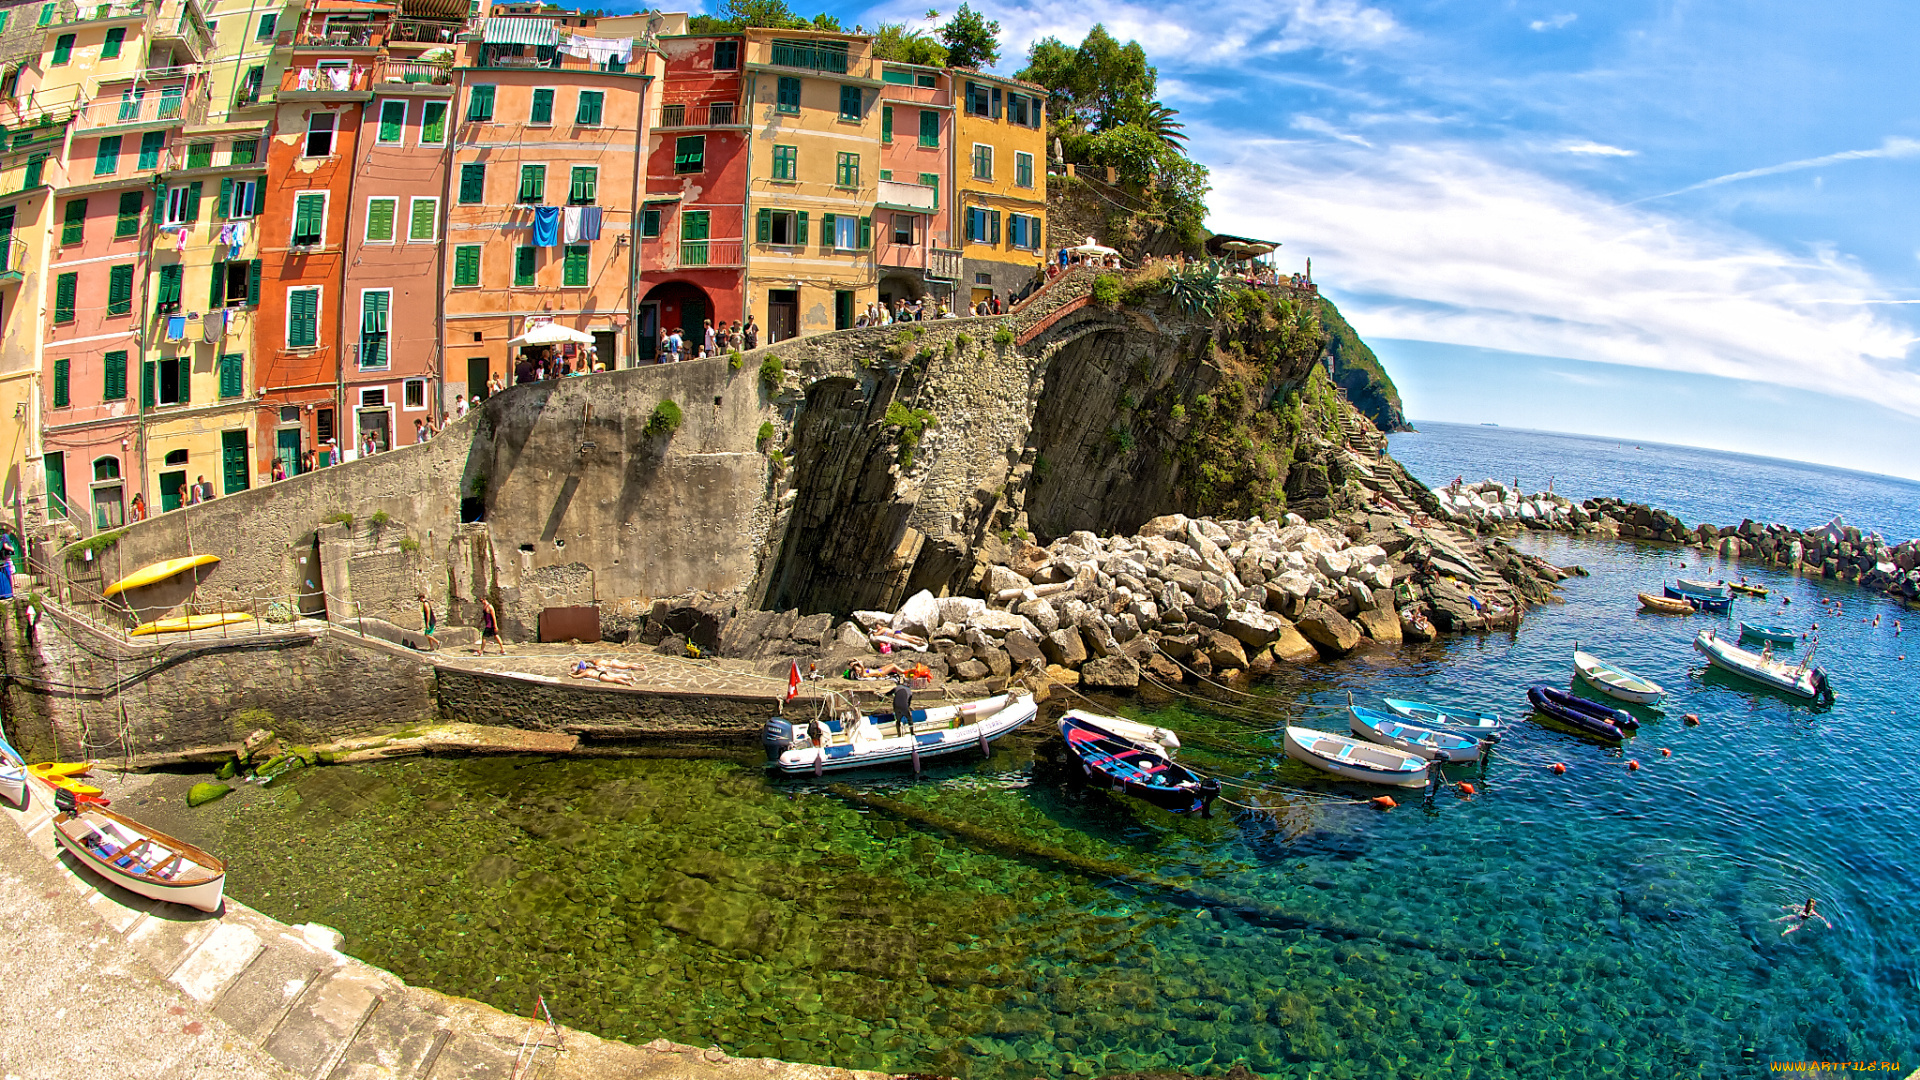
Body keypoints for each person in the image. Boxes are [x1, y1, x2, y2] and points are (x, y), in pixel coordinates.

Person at [570, 659, 634, 685]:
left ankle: (626, 683)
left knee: (614, 679)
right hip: (602, 672)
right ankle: (630, 678)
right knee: (616, 676)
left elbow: (576, 677)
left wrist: (570, 674)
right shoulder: (589, 669)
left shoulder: (585, 673)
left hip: (600, 676)